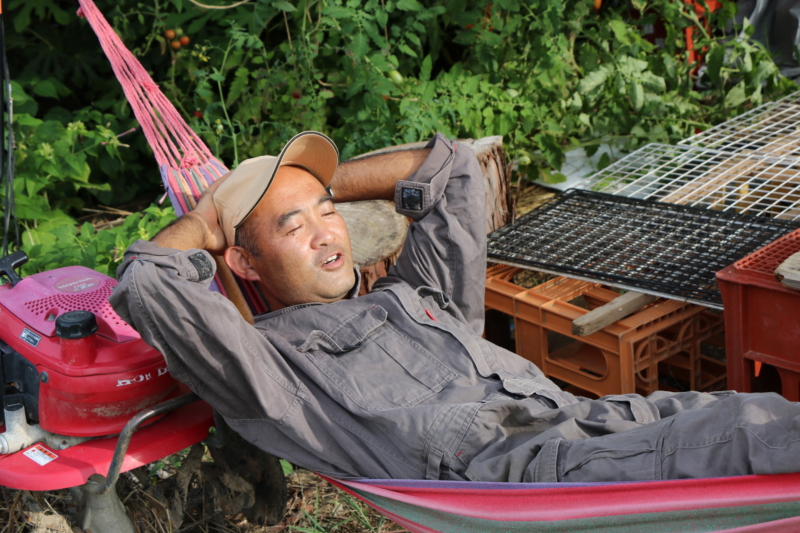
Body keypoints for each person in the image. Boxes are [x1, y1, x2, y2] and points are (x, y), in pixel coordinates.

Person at [111, 132, 800, 483]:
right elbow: (146, 286)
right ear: (244, 260)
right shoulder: (272, 368)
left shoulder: (416, 294)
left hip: (588, 420)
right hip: (523, 476)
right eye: (293, 226)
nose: (328, 231)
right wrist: (209, 222)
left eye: (328, 212)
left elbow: (452, 171)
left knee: (744, 411)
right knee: (747, 431)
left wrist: (314, 179)